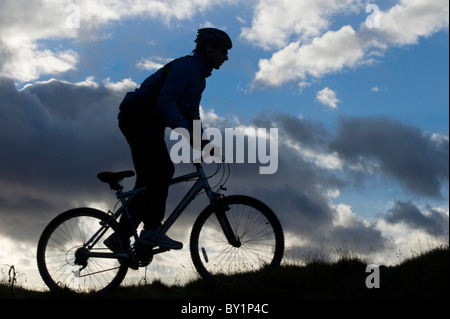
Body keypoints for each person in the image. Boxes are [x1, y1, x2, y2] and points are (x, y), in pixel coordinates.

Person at [105, 28, 232, 252]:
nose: (226, 57)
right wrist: (187, 135)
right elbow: (166, 102)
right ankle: (151, 230)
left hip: (147, 121)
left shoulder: (199, 78)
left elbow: (192, 113)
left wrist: (203, 142)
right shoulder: (185, 67)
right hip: (138, 117)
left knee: (148, 181)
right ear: (208, 47)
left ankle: (121, 237)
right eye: (223, 51)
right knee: (163, 170)